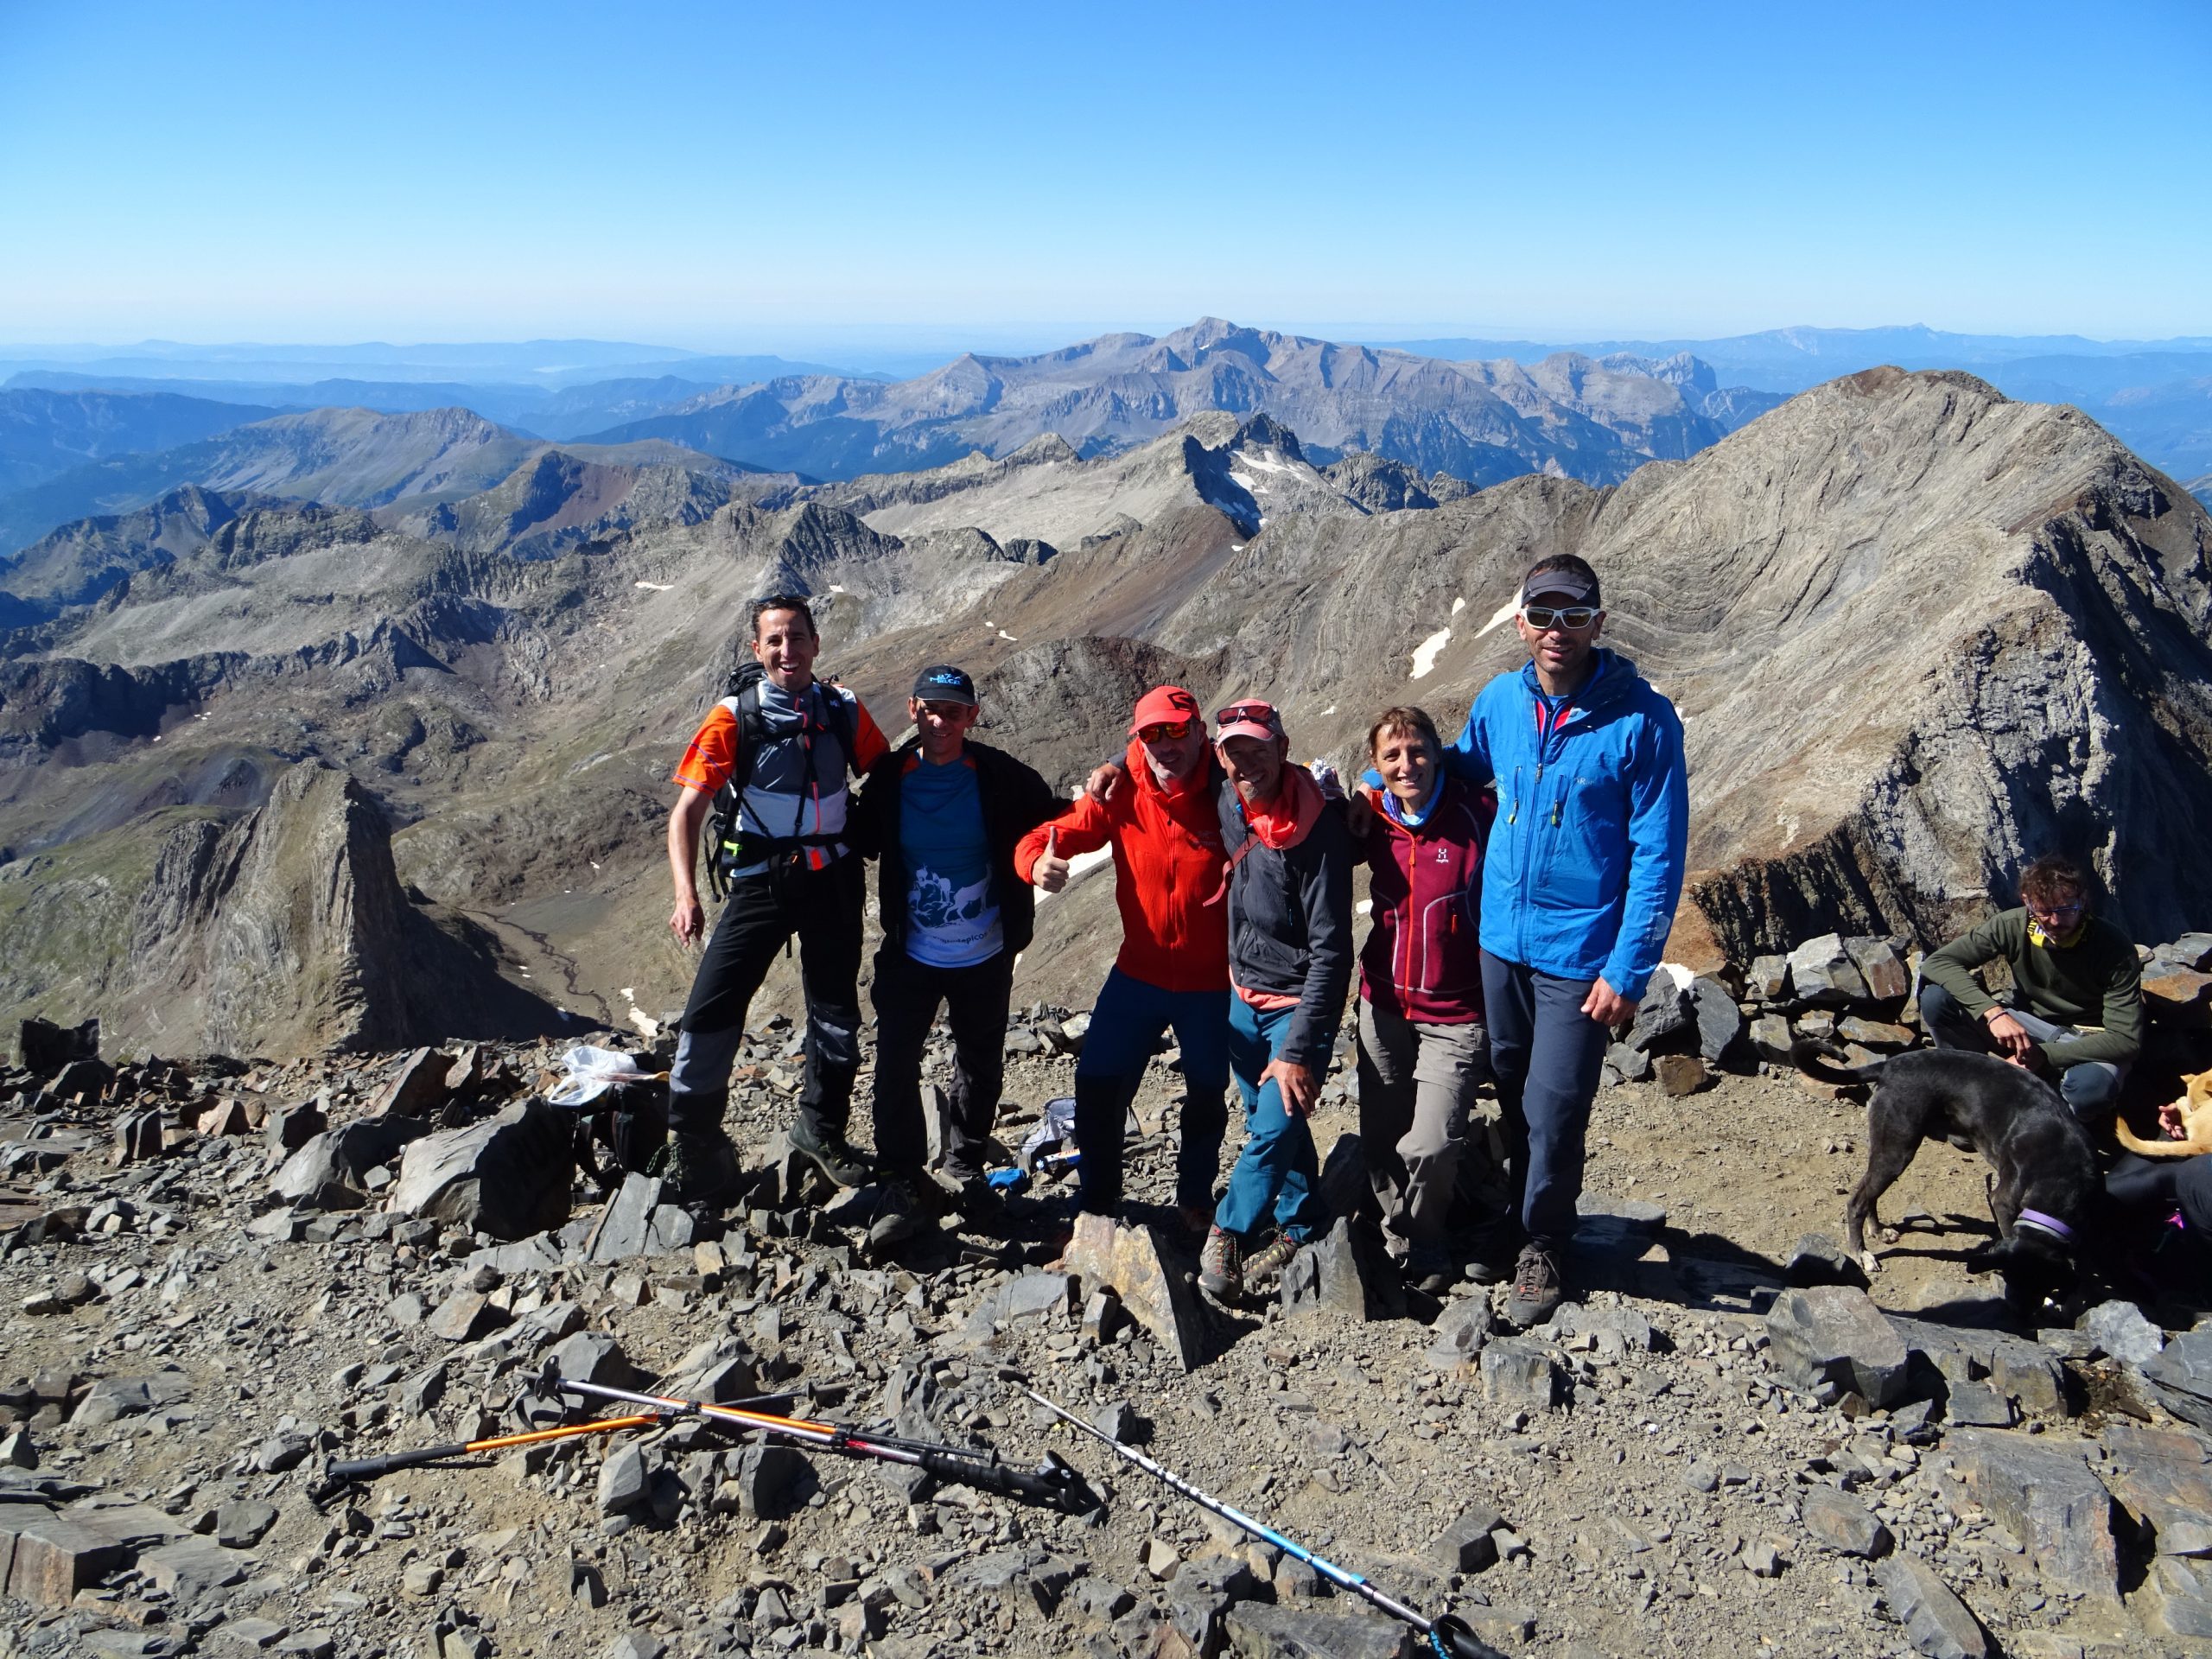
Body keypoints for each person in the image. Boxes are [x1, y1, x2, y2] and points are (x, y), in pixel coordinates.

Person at [1443, 554, 1688, 1327]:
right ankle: (1518, 1219)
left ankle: (1546, 1239)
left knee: (1554, 1105)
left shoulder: (1642, 721)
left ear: (1598, 625)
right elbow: (1465, 768)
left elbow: (1659, 856)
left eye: (1573, 616)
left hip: (1581, 957)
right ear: (1520, 623)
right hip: (1501, 944)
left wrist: (1629, 967)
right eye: (1543, 615)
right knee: (1513, 1089)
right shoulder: (1499, 701)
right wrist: (1386, 780)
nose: (1557, 630)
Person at [662, 594, 889, 1203]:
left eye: (798, 637)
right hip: (762, 882)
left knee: (837, 1015)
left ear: (816, 643)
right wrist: (687, 896)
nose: (787, 650)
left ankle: (821, 1130)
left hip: (833, 880)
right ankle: (693, 1143)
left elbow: (888, 776)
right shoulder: (733, 717)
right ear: (758, 650)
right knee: (710, 1009)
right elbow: (687, 813)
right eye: (775, 641)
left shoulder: (844, 710)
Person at [847, 664, 1061, 1247]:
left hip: (984, 951)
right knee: (894, 1062)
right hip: (912, 950)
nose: (941, 721)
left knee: (980, 1065)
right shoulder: (892, 778)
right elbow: (861, 837)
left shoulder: (997, 775)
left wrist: (1108, 803)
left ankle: (964, 1166)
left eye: (954, 711)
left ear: (972, 716)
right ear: (913, 709)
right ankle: (901, 1175)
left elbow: (1054, 815)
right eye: (931, 709)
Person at [1014, 686, 1232, 1237]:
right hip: (1140, 973)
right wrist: (1035, 864)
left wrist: (1365, 791)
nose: (1166, 744)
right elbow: (1051, 835)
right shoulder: (1123, 790)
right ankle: (1101, 1197)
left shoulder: (1230, 788)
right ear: (1136, 739)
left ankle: (1194, 1198)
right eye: (1152, 733)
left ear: (1200, 730)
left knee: (1207, 1090)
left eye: (1178, 730)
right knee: (1097, 1084)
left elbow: (1289, 789)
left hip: (1211, 982)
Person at [1198, 698, 1355, 1303]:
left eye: (1258, 748)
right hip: (1243, 995)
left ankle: (1228, 1232)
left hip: (1297, 1004)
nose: (1246, 762)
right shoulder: (1230, 799)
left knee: (1270, 1126)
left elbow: (1332, 953)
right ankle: (1302, 1223)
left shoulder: (1318, 832)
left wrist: (1296, 1050)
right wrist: (1112, 766)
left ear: (1283, 748)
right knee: (1278, 1124)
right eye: (1234, 752)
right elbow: (1164, 754)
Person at [1351, 705, 1497, 1294]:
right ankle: (1405, 1236)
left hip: (1457, 1012)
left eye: (1416, 751)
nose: (1406, 764)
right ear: (1376, 765)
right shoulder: (1369, 820)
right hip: (1381, 1005)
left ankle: (1424, 1233)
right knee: (1383, 1136)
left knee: (1430, 1142)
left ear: (1438, 752)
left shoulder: (1477, 813)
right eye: (1392, 756)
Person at [1916, 853, 2143, 1121]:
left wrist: (2043, 1056)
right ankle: (1968, 1099)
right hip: (2031, 1025)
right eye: (2045, 911)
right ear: (2028, 903)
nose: (2056, 922)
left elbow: (2126, 1040)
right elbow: (1938, 962)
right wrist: (1993, 1012)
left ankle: (2038, 1119)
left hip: (2089, 1038)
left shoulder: (2114, 948)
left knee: (2090, 1090)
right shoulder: (2013, 925)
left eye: (2066, 909)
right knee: (1937, 1000)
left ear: (2082, 900)